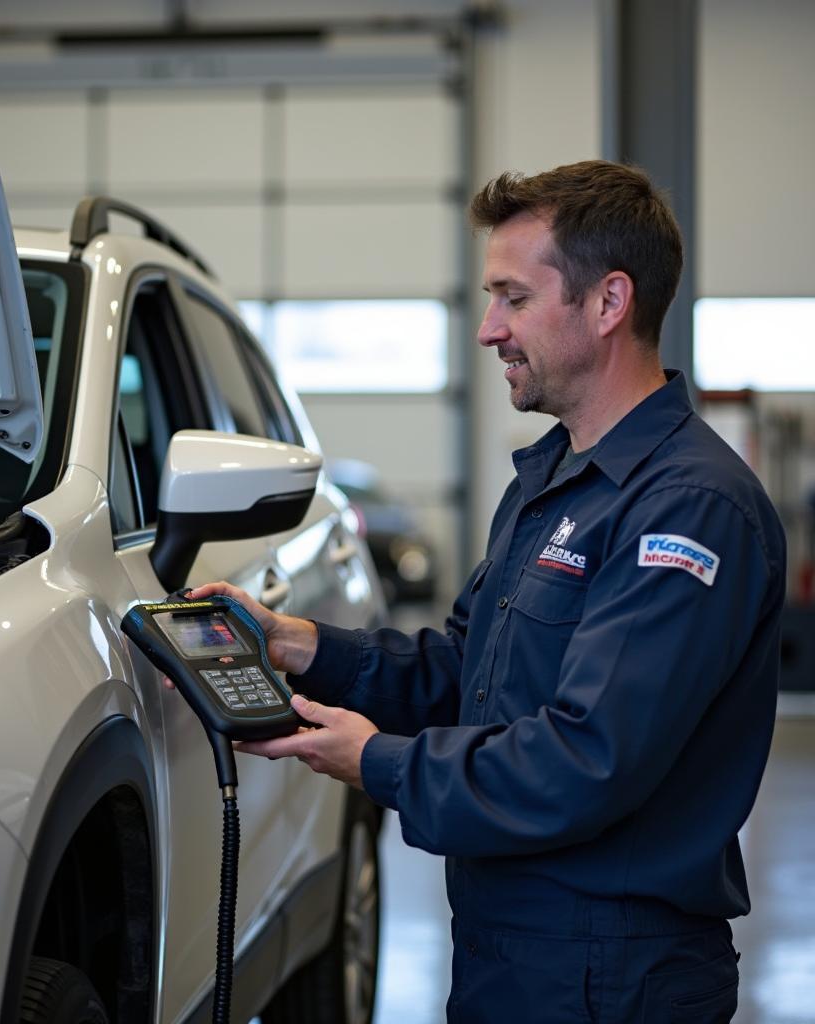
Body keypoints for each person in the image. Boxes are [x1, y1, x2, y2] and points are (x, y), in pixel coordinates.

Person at [186, 160, 786, 1023]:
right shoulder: (550, 482)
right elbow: (467, 671)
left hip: (608, 974)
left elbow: (588, 761)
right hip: (515, 949)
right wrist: (298, 644)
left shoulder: (686, 508)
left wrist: (376, 760)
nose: (487, 330)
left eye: (513, 297)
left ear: (609, 303)